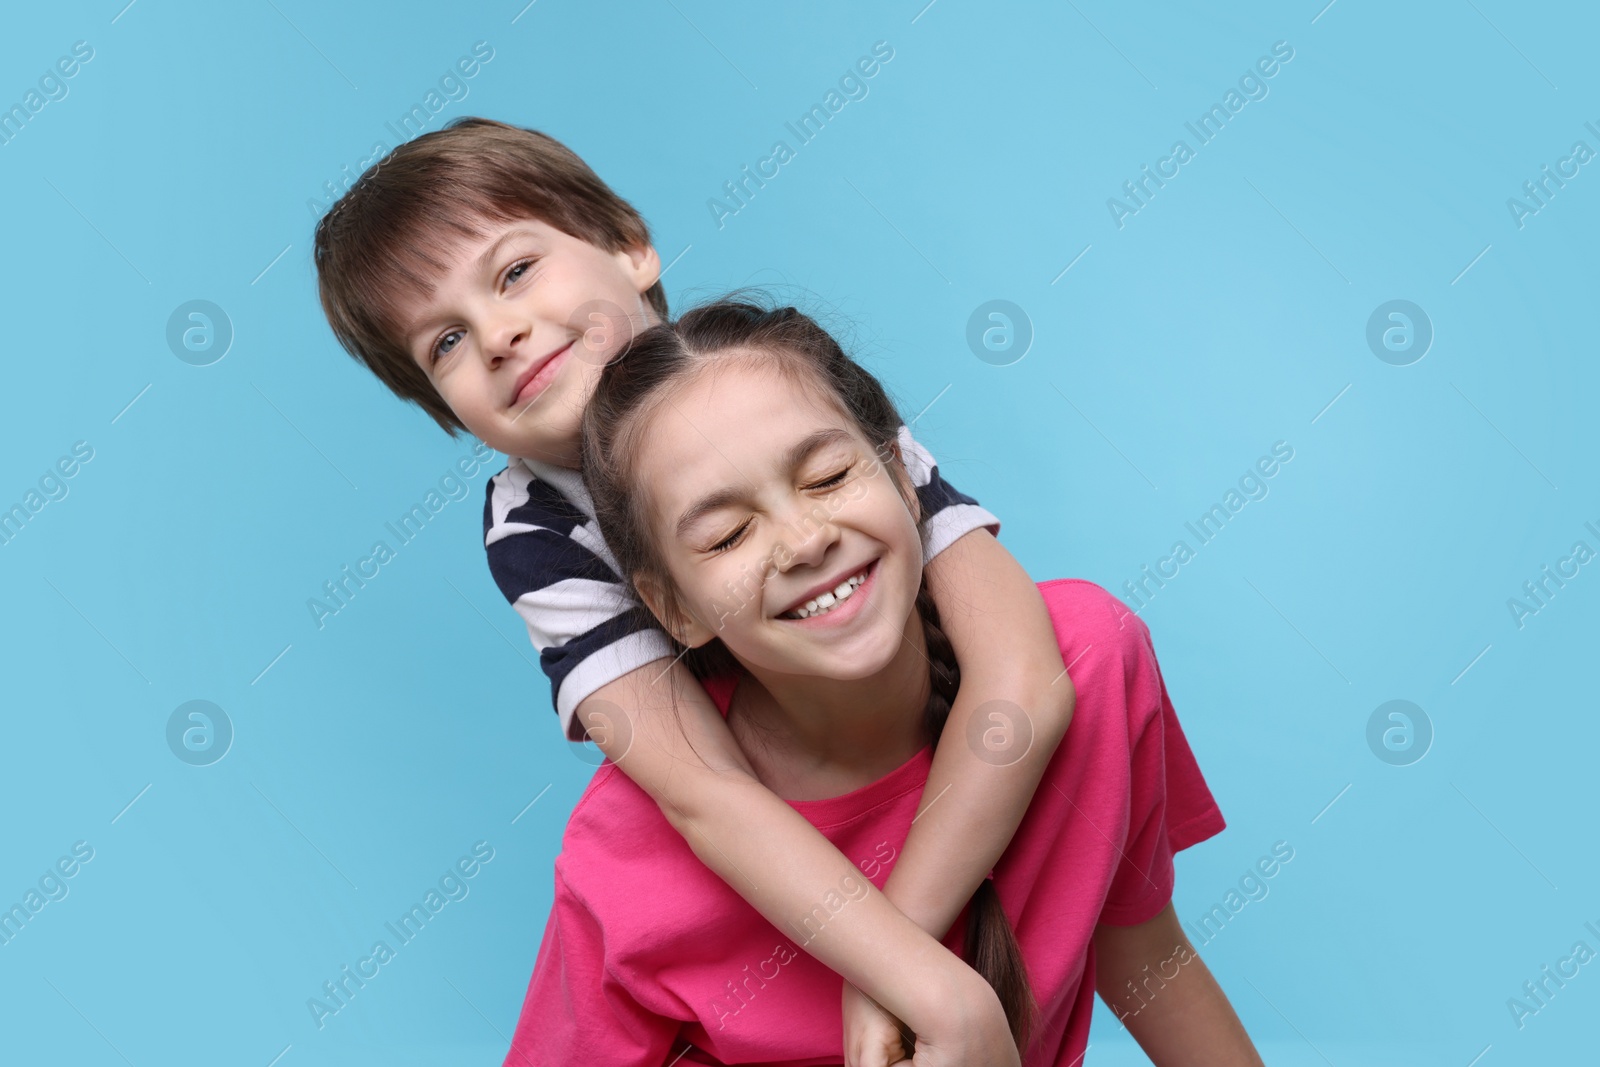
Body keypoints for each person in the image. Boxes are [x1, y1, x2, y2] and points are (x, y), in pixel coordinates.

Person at [312, 117, 1077, 1061]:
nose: (501, 334)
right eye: (447, 342)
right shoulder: (532, 529)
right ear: (448, 414)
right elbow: (707, 792)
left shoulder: (769, 383)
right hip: (762, 831)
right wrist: (918, 984)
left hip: (902, 752)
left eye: (514, 272)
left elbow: (1021, 676)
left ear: (630, 246)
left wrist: (913, 965)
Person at [502, 297, 1263, 1065]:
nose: (804, 541)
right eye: (728, 534)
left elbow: (1146, 960)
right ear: (675, 608)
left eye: (829, 477)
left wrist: (890, 968)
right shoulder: (626, 850)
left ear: (906, 481)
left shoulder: (1090, 659)